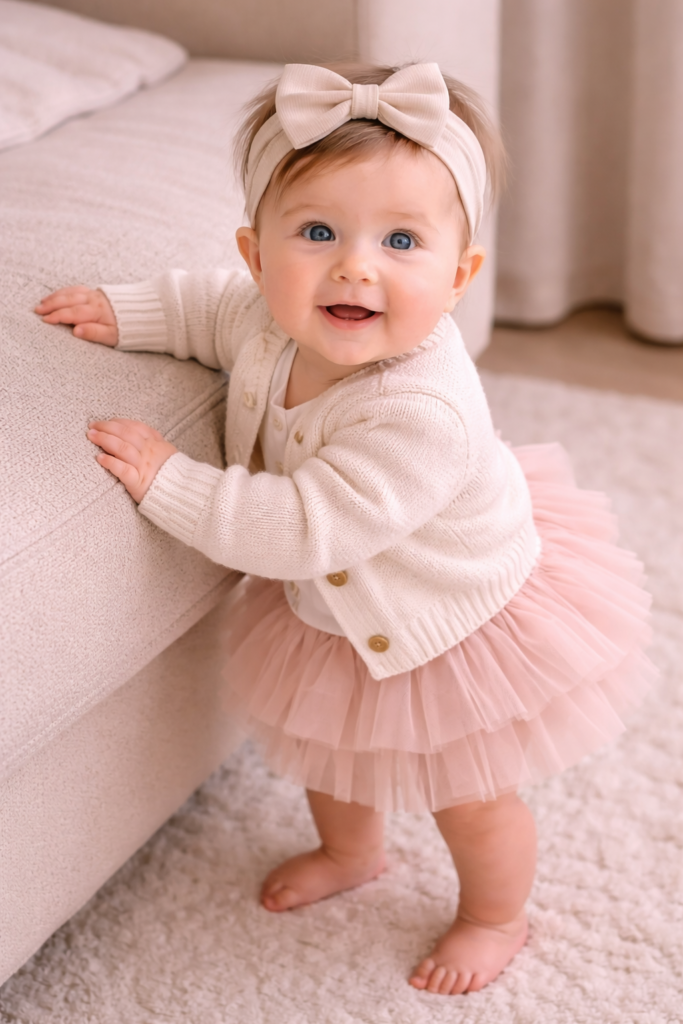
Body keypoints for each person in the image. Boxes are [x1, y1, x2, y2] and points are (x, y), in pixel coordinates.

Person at [35, 62, 656, 997]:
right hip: (339, 605)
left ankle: (496, 913)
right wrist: (128, 312)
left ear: (457, 278)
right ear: (256, 253)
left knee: (469, 793)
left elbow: (298, 528)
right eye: (317, 232)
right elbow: (210, 313)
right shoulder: (269, 317)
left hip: (444, 615)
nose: (354, 265)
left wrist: (171, 480)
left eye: (401, 240)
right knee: (333, 749)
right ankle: (349, 851)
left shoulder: (419, 414)